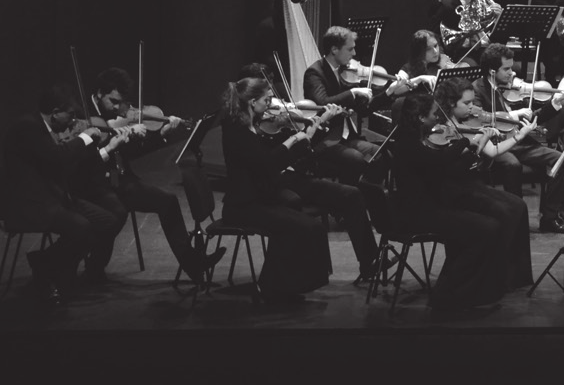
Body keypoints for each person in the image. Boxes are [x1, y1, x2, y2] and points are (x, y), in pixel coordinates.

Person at [218, 76, 380, 302]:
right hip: (250, 200)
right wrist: (292, 140)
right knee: (306, 227)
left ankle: (368, 263)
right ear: (252, 102)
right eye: (267, 100)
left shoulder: (253, 124)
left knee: (349, 196)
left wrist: (312, 131)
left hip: (272, 186)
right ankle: (279, 288)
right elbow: (269, 164)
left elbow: (279, 160)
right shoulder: (238, 131)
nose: (271, 105)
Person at [389, 79, 533, 313]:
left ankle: (476, 292)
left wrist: (470, 145)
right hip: (420, 212)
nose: (438, 119)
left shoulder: (416, 138)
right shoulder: (409, 144)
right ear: (420, 118)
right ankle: (451, 294)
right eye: (434, 115)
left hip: (433, 204)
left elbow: (443, 164)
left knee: (491, 226)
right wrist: (470, 143)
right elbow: (443, 165)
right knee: (487, 229)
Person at [70, 68, 221, 285]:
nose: (119, 109)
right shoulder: (82, 113)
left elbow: (132, 152)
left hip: (119, 179)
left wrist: (160, 134)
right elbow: (82, 163)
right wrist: (112, 145)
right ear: (100, 93)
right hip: (93, 185)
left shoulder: (118, 114)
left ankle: (193, 265)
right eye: (113, 101)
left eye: (122, 103)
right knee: (115, 211)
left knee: (168, 201)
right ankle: (94, 268)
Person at [2, 87, 129, 305]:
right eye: (70, 115)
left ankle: (44, 262)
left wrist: (97, 148)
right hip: (28, 203)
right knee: (81, 227)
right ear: (55, 112)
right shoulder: (28, 127)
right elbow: (57, 159)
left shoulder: (45, 129)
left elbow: (64, 167)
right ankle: (50, 270)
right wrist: (83, 139)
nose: (72, 121)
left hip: (54, 195)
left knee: (108, 221)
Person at [472, 44, 564, 231]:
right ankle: (516, 219)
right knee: (512, 164)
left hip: (519, 142)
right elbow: (480, 118)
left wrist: (554, 105)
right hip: (496, 144)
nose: (512, 74)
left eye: (512, 68)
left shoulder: (505, 88)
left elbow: (528, 118)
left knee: (559, 159)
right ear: (492, 71)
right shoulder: (478, 89)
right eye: (506, 69)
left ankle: (549, 217)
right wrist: (513, 115)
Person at [301, 25, 387, 184]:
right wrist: (353, 93)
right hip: (325, 139)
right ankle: (347, 196)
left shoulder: (345, 72)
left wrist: (389, 94)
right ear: (334, 49)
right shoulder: (315, 73)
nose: (354, 54)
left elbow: (365, 109)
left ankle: (367, 192)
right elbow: (322, 102)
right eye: (350, 49)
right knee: (356, 159)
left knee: (381, 154)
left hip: (346, 136)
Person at [438, 0, 502, 62]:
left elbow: (499, 39)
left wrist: (499, 20)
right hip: (462, 52)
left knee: (515, 68)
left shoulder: (488, 3)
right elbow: (437, 38)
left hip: (487, 51)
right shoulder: (448, 6)